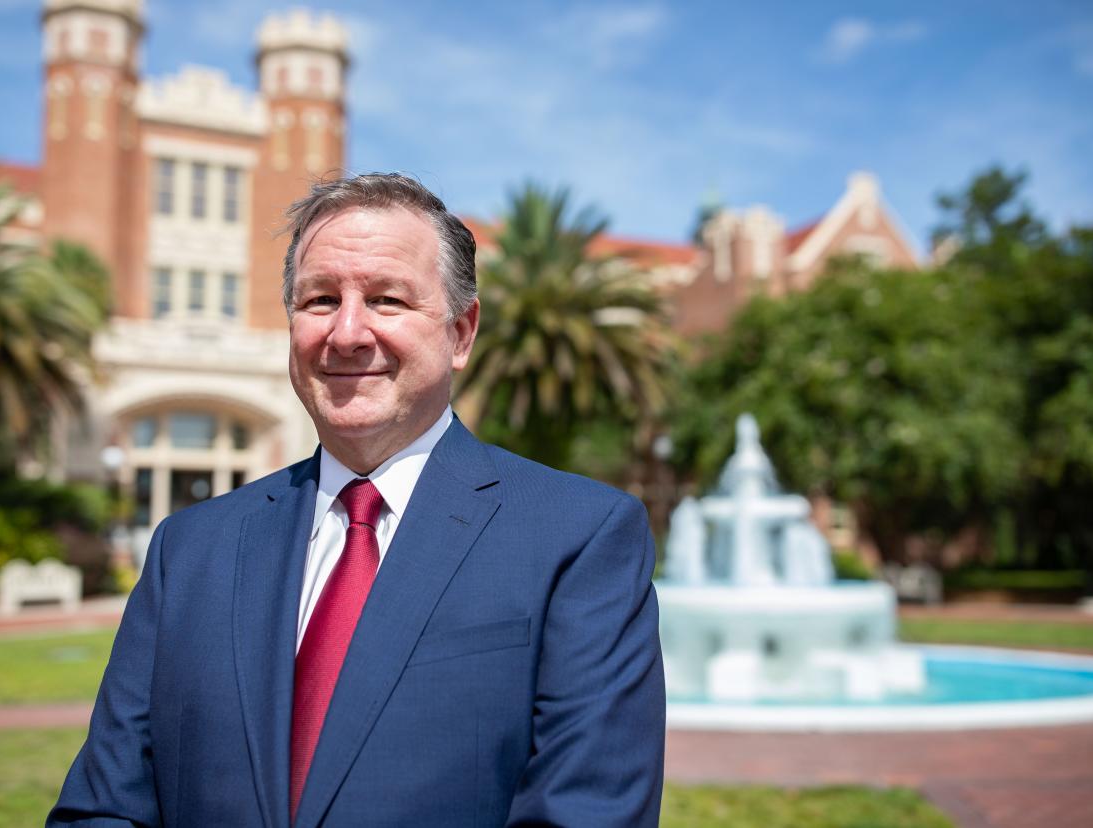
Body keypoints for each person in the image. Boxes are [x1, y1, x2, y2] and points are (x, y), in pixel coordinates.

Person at [48, 174, 665, 827]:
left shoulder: (579, 537)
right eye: (319, 300)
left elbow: (588, 813)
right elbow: (105, 806)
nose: (347, 333)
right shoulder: (190, 549)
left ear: (461, 333)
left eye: (386, 299)